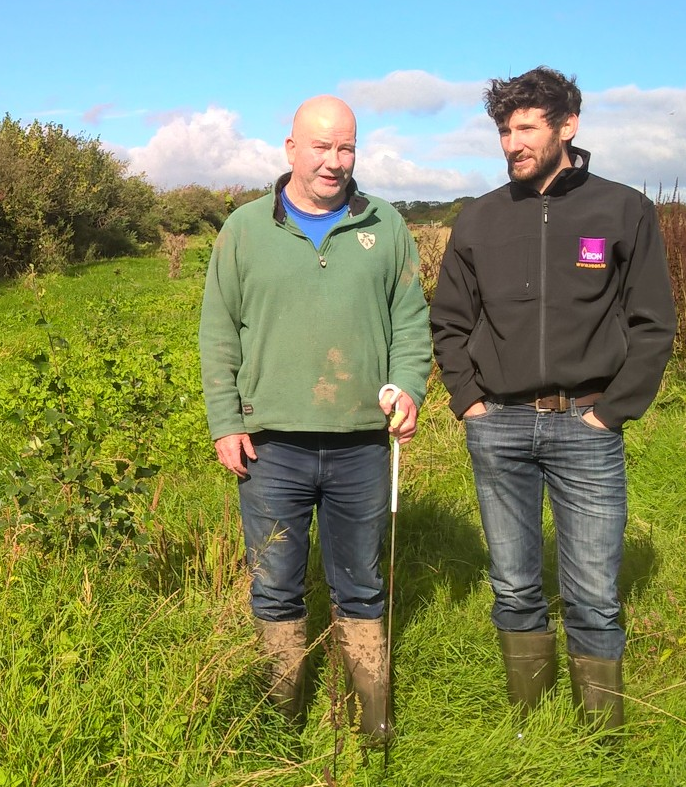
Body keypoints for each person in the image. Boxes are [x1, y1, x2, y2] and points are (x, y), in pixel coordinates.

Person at [430, 66, 677, 731]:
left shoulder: (622, 209)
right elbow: (448, 320)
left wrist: (609, 412)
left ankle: (600, 737)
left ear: (568, 125)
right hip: (499, 426)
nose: (511, 143)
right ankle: (528, 727)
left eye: (525, 128)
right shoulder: (479, 217)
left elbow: (653, 323)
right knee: (513, 584)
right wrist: (468, 401)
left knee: (593, 593)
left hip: (586, 425)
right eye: (503, 131)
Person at [199, 95, 431, 744]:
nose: (334, 161)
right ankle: (282, 721)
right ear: (291, 149)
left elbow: (411, 323)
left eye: (346, 147)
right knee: (275, 587)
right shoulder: (245, 229)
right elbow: (218, 332)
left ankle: (372, 721)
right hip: (270, 446)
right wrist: (225, 420)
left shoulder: (385, 225)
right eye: (321, 146)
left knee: (361, 585)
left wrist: (410, 389)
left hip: (362, 445)